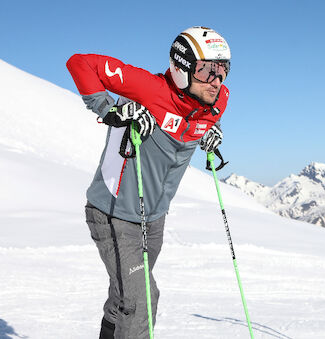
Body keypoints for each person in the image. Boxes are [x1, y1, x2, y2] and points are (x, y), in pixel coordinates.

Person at [66, 26, 231, 338]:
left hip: (154, 219)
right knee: (142, 300)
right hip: (112, 213)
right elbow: (80, 63)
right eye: (208, 70)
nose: (218, 79)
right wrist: (112, 110)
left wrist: (210, 131)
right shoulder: (149, 88)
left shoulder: (217, 99)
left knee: (123, 298)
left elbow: (203, 119)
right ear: (182, 67)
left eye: (223, 69)